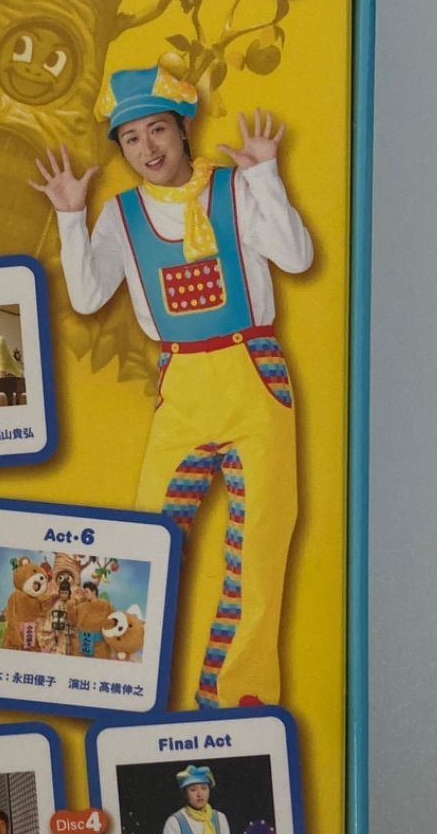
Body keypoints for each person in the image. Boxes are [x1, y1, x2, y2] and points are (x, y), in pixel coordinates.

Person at [33, 66, 312, 709]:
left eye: (156, 129)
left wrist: (266, 176)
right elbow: (88, 296)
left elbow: (297, 258)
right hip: (181, 385)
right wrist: (71, 217)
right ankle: (127, 680)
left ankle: (236, 693)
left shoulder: (235, 189)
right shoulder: (121, 215)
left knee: (259, 545)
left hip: (253, 375)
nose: (147, 147)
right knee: (146, 541)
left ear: (183, 129)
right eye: (130, 138)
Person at [162, 764, 235, 834]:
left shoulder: (220, 818)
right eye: (193, 790)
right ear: (185, 794)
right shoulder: (175, 822)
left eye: (204, 788)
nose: (199, 794)